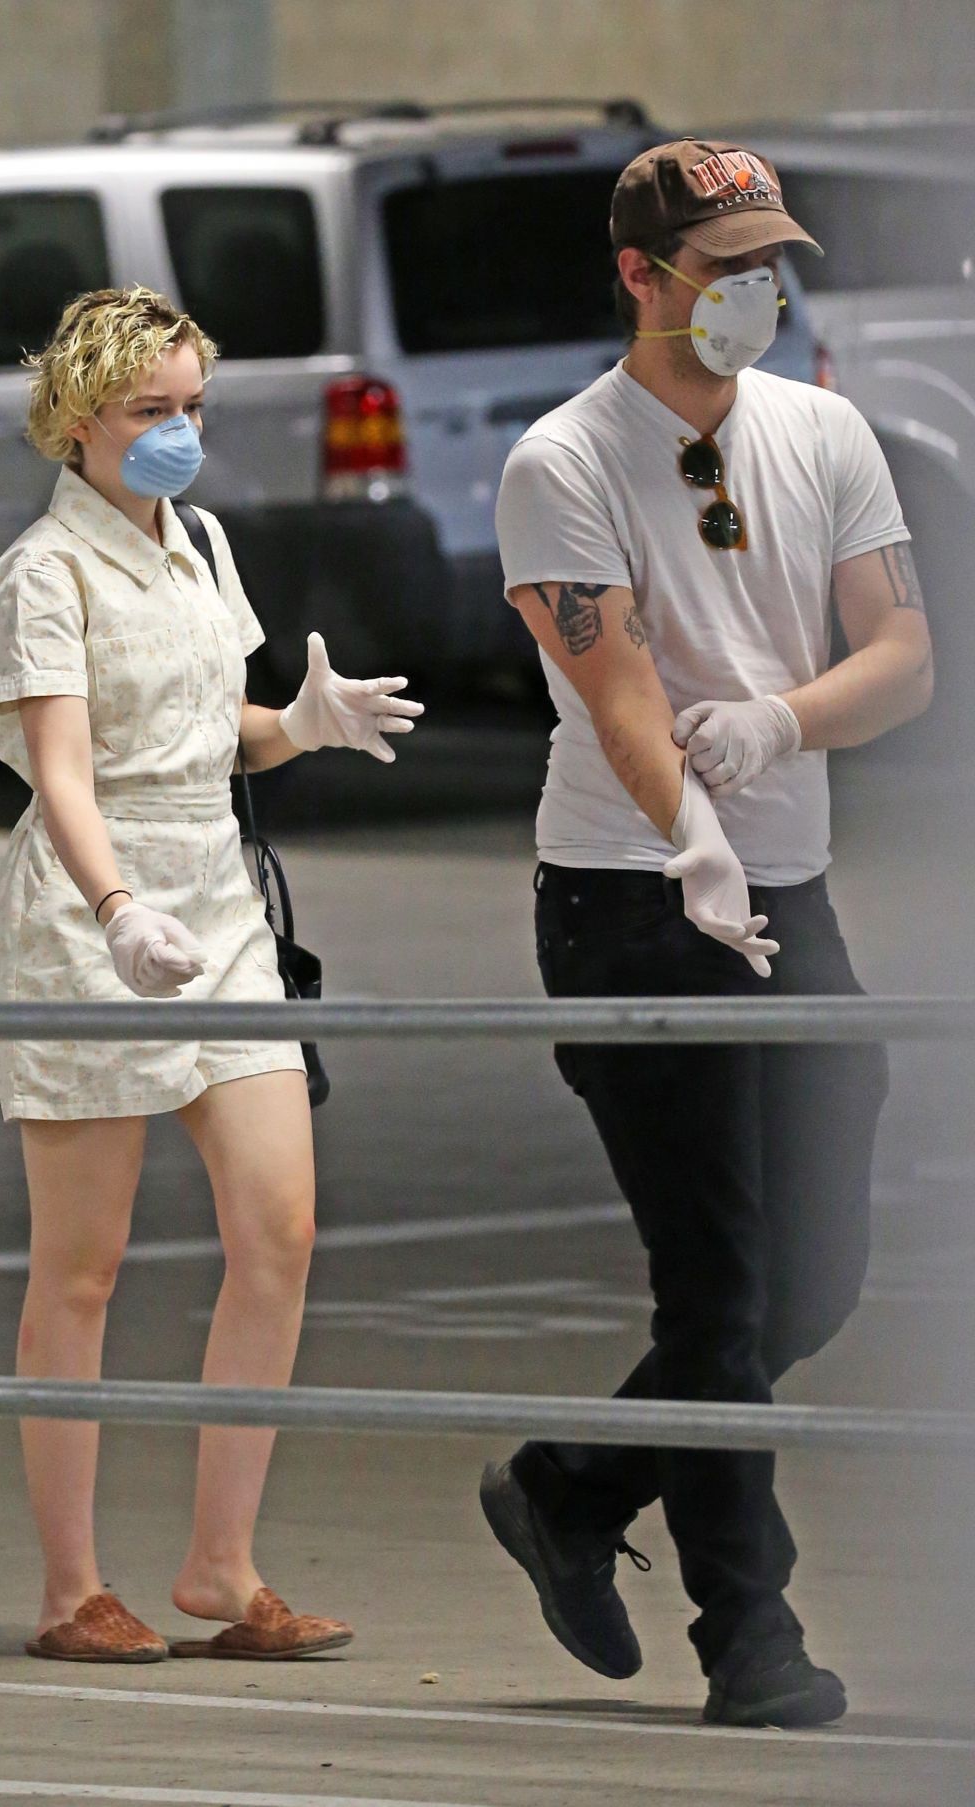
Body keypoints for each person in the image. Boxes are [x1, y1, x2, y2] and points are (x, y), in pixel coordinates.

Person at [480, 140, 931, 1727]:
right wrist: (691, 838)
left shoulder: (824, 430)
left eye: (768, 262)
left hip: (787, 896)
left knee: (820, 1275)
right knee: (723, 1289)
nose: (756, 289)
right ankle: (752, 1642)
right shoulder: (564, 461)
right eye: (721, 267)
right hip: (627, 901)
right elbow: (615, 704)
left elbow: (906, 656)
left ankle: (577, 1484)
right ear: (639, 276)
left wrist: (781, 724)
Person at [0, 285, 422, 1663]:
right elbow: (65, 765)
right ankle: (70, 1589)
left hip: (217, 904)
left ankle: (222, 1568)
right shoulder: (40, 575)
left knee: (279, 1226)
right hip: (86, 914)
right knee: (83, 1266)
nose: (178, 434)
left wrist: (297, 723)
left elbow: (206, 728)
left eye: (191, 409)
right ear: (77, 419)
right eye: (149, 411)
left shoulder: (201, 543)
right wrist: (114, 906)